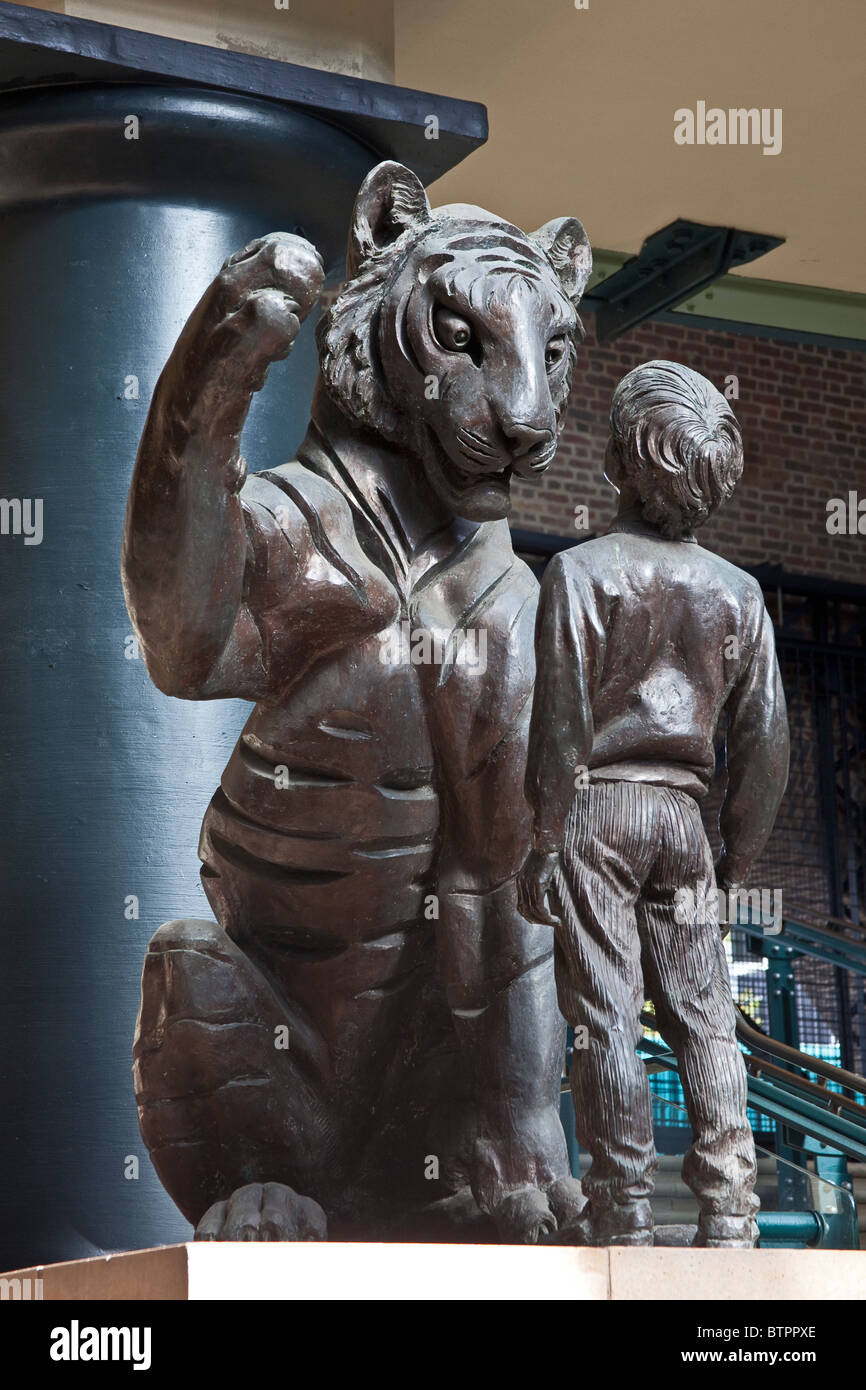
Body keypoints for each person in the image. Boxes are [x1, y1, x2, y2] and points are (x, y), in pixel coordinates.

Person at [517, 360, 790, 1248]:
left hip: (598, 811)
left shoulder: (580, 573)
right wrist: (737, 859)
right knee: (705, 1016)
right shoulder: (740, 596)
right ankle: (732, 1207)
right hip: (684, 822)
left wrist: (545, 840)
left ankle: (623, 1205)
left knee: (605, 1013)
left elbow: (558, 729)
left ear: (625, 462)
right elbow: (766, 746)